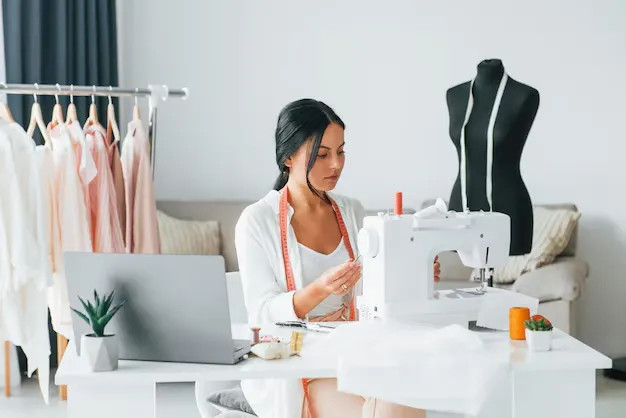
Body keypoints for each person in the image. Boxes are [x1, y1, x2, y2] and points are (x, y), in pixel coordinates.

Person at [235, 99, 440, 418]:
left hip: (355, 352)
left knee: (405, 392)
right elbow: (262, 313)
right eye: (322, 154)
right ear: (288, 157)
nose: (336, 165)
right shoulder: (257, 221)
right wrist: (319, 289)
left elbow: (371, 289)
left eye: (341, 151)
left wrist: (413, 275)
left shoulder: (351, 211)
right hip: (301, 364)